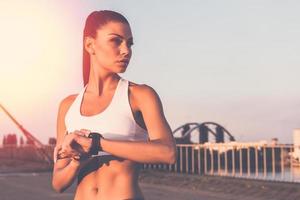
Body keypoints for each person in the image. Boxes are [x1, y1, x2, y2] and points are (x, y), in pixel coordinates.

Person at [51, 10, 177, 200]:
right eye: (116, 41)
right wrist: (78, 160)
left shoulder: (140, 95)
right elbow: (58, 183)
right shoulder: (68, 106)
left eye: (129, 43)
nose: (126, 50)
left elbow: (168, 153)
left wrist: (96, 144)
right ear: (90, 45)